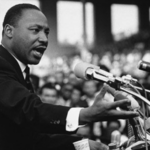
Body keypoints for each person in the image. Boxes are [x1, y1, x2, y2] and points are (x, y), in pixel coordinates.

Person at [0, 3, 138, 150]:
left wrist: (82, 145)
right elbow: (30, 111)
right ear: (9, 31)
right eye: (35, 30)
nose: (44, 39)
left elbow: (31, 137)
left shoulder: (21, 71)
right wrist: (85, 114)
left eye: (46, 32)